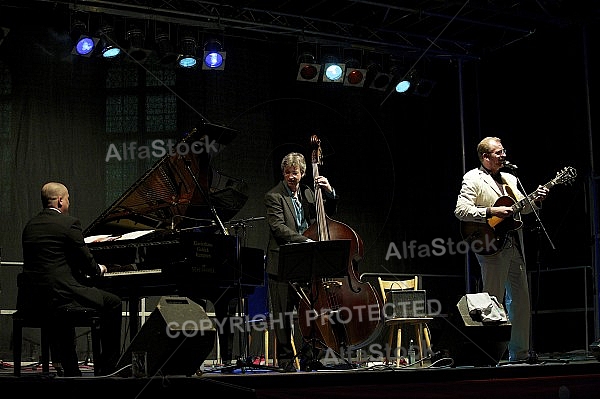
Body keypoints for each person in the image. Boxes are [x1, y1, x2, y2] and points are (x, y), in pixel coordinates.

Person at [454, 137, 549, 362]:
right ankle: (491, 354)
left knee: (520, 299)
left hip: (514, 243)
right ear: (485, 157)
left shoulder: (510, 178)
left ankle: (520, 354)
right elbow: (461, 210)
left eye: (503, 151)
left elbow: (522, 209)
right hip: (490, 243)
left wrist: (536, 201)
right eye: (498, 152)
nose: (503, 155)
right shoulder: (473, 177)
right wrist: (491, 212)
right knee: (492, 300)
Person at [19, 182, 123, 376]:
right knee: (114, 303)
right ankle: (108, 366)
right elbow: (89, 265)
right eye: (67, 199)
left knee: (62, 312)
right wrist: (100, 268)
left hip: (35, 297)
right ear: (60, 201)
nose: (68, 202)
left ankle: (71, 368)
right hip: (61, 293)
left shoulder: (30, 226)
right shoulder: (68, 224)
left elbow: (51, 260)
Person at [264, 152, 337, 372]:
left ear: (303, 173)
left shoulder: (308, 193)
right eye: (287, 172)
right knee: (283, 316)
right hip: (282, 263)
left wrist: (328, 192)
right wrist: (306, 241)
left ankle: (308, 358)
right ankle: (286, 361)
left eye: (294, 172)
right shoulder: (274, 196)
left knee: (308, 313)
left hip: (305, 263)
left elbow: (327, 214)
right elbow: (278, 228)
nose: (290, 176)